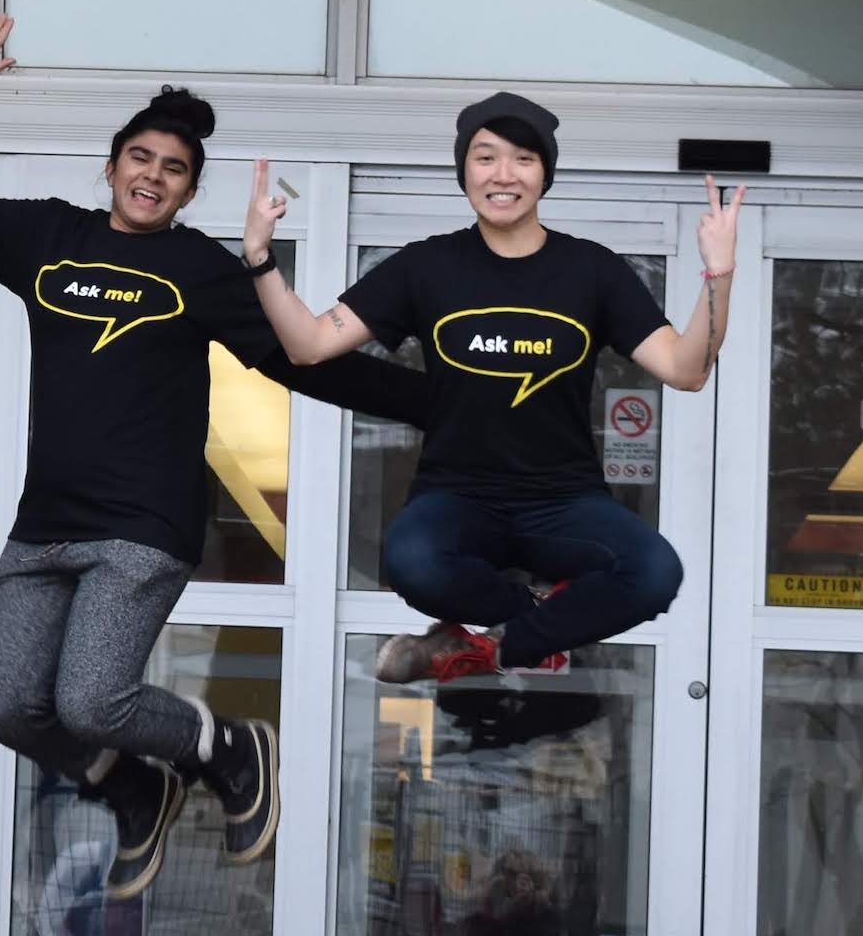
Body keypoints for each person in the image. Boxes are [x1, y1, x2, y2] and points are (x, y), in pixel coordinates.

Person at [0, 15, 435, 901]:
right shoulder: (47, 240)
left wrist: (439, 402)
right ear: (112, 165)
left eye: (174, 169)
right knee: (3, 703)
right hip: (45, 523)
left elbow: (299, 362)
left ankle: (232, 749)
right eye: (142, 159)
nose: (153, 177)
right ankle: (132, 784)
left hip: (144, 524)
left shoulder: (200, 270)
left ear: (189, 192)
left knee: (89, 700)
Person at [252, 89, 737, 685]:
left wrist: (719, 273)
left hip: (565, 500)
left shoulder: (593, 270)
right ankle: (533, 625)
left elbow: (686, 370)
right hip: (458, 496)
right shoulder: (426, 267)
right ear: (464, 172)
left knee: (656, 573)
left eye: (523, 159)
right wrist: (259, 258)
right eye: (485, 157)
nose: (503, 175)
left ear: (544, 176)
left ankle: (489, 650)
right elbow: (308, 345)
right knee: (412, 562)